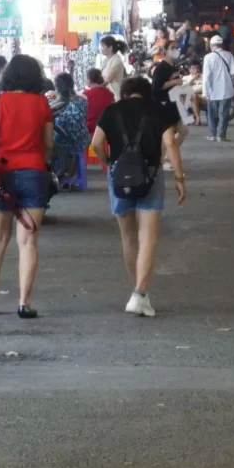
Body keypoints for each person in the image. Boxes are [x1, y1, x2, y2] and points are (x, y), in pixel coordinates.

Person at [91, 75, 188, 316]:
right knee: (148, 238)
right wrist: (179, 178)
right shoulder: (158, 110)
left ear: (124, 93)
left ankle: (138, 291)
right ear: (147, 93)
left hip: (119, 178)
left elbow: (96, 143)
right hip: (150, 178)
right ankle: (139, 294)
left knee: (128, 238)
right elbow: (171, 144)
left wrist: (109, 165)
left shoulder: (112, 110)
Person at [0, 52, 55, 319]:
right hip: (33, 173)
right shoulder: (42, 104)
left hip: (0, 175)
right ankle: (24, 303)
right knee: (28, 240)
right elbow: (49, 144)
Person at [49, 71, 91, 187]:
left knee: (49, 142)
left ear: (56, 87)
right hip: (81, 141)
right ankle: (68, 174)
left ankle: (57, 175)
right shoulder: (82, 101)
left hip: (63, 142)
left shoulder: (54, 104)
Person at [201, 35, 234, 142]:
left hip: (212, 91)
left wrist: (205, 92)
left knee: (212, 114)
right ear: (221, 45)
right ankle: (221, 136)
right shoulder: (229, 55)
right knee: (223, 114)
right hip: (226, 90)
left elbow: (206, 77)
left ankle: (212, 135)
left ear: (211, 45)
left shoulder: (208, 57)